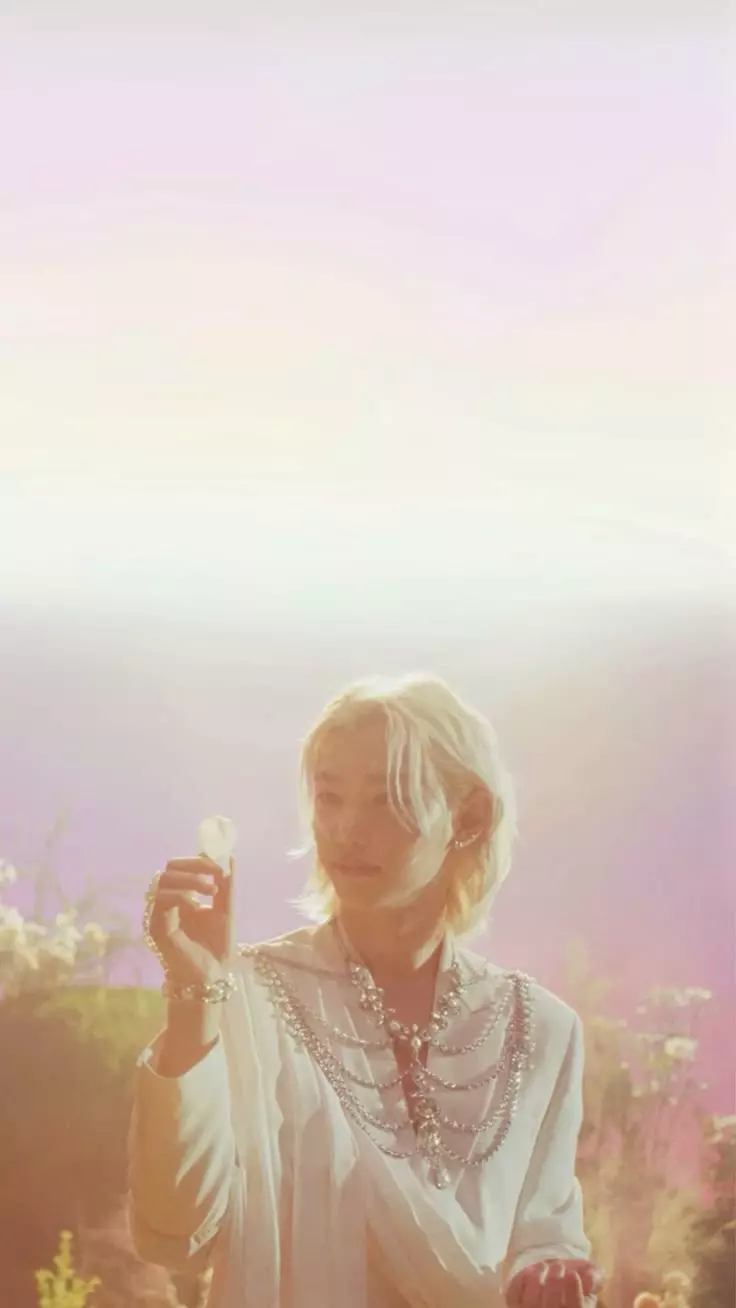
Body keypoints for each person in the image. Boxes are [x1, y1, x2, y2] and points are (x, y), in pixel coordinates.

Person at [128, 672, 604, 1308]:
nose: (347, 830)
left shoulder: (540, 1028)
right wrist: (195, 993)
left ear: (469, 817)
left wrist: (550, 1274)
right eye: (330, 798)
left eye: (386, 800)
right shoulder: (246, 995)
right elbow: (175, 1233)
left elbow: (547, 1238)